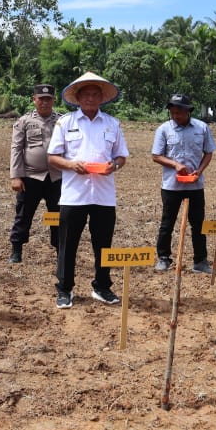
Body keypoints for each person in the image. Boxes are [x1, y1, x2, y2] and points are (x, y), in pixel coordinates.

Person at [47, 72, 129, 309]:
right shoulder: (66, 123)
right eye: (87, 95)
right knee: (67, 243)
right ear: (78, 98)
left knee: (103, 243)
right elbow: (53, 156)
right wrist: (71, 165)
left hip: (104, 195)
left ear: (102, 98)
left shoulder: (112, 124)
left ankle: (102, 287)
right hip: (74, 194)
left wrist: (114, 166)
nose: (91, 98)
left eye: (96, 94)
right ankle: (64, 289)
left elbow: (121, 156)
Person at [151, 94, 216, 273]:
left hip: (195, 185)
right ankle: (164, 258)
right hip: (171, 186)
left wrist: (200, 171)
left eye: (179, 113)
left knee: (198, 223)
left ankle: (200, 261)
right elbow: (156, 156)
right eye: (172, 113)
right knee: (167, 223)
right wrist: (175, 165)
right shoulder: (164, 129)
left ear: (188, 111)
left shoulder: (202, 128)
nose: (175, 116)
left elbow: (209, 152)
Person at [8, 84, 63, 263]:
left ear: (54, 100)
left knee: (57, 215)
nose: (45, 102)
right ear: (34, 99)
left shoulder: (63, 121)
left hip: (56, 177)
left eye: (48, 99)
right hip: (31, 177)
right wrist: (16, 176)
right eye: (41, 98)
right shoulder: (24, 121)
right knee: (24, 214)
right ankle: (16, 250)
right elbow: (16, 148)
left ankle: (59, 249)